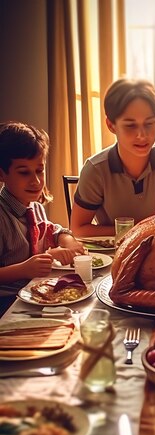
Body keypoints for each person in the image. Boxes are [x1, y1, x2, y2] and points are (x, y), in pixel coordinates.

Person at [70, 78, 155, 238]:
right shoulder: (95, 169)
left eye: (149, 124)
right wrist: (136, 231)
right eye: (130, 125)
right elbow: (78, 229)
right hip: (110, 254)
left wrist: (126, 231)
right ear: (111, 125)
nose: (142, 135)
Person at [0, 121, 85, 316]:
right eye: (24, 172)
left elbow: (52, 229)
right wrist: (24, 269)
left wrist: (67, 240)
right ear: (1, 173)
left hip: (35, 293)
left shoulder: (35, 207)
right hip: (7, 304)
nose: (36, 181)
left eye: (39, 170)